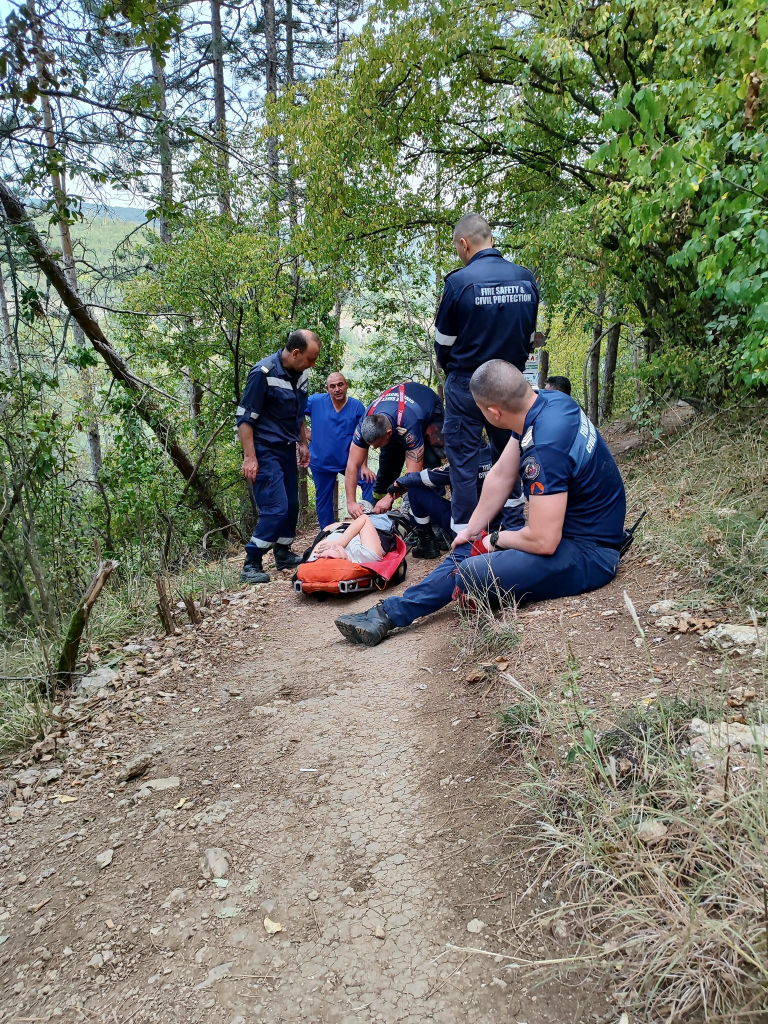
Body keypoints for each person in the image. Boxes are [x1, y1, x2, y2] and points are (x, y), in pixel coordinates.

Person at [334, 359, 627, 646]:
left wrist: (496, 539)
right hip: (575, 533)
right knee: (467, 548)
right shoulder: (546, 403)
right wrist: (472, 530)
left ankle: (394, 613)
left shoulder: (544, 448)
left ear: (493, 412)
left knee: (472, 570)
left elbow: (543, 541)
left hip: (591, 553)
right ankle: (389, 613)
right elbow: (500, 475)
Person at [434, 213, 540, 535]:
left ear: (464, 244)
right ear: (491, 239)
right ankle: (511, 530)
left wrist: (456, 370)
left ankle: (465, 544)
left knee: (464, 466)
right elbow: (529, 334)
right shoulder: (526, 278)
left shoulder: (458, 283)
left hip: (467, 386)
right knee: (509, 458)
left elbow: (443, 345)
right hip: (510, 384)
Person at [236, 329, 322, 584]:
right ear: (296, 353)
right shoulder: (262, 374)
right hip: (264, 450)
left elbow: (297, 414)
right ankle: (251, 561)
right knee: (276, 507)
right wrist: (250, 458)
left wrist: (302, 443)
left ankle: (283, 553)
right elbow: (244, 420)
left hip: (287, 447)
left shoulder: (301, 373)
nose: (312, 364)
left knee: (292, 505)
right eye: (310, 358)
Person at [344, 381, 444, 519]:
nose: (374, 448)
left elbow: (413, 473)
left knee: (430, 463)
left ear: (389, 432)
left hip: (427, 409)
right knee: (387, 468)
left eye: (377, 445)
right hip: (396, 420)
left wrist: (389, 498)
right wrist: (351, 502)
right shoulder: (364, 424)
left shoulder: (410, 425)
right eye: (371, 445)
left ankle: (434, 519)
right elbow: (352, 465)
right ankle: (378, 514)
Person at [387, 443, 493, 559]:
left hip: (466, 527)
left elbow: (426, 477)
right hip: (495, 522)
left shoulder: (463, 462)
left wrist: (400, 482)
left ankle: (427, 542)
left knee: (415, 489)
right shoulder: (497, 453)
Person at [306, 371, 374, 529]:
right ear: (327, 388)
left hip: (348, 461)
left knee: (370, 481)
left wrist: (363, 465)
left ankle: (368, 521)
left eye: (340, 384)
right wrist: (307, 434)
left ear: (346, 385)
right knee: (323, 499)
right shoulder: (315, 401)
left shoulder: (356, 406)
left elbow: (364, 437)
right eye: (333, 386)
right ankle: (328, 532)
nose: (337, 389)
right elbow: (293, 414)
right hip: (321, 461)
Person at [308, 513, 384, 564]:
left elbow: (327, 529)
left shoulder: (316, 556)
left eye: (323, 556)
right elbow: (364, 518)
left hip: (341, 528)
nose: (333, 545)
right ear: (345, 559)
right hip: (375, 524)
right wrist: (340, 542)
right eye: (335, 549)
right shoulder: (365, 555)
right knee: (371, 513)